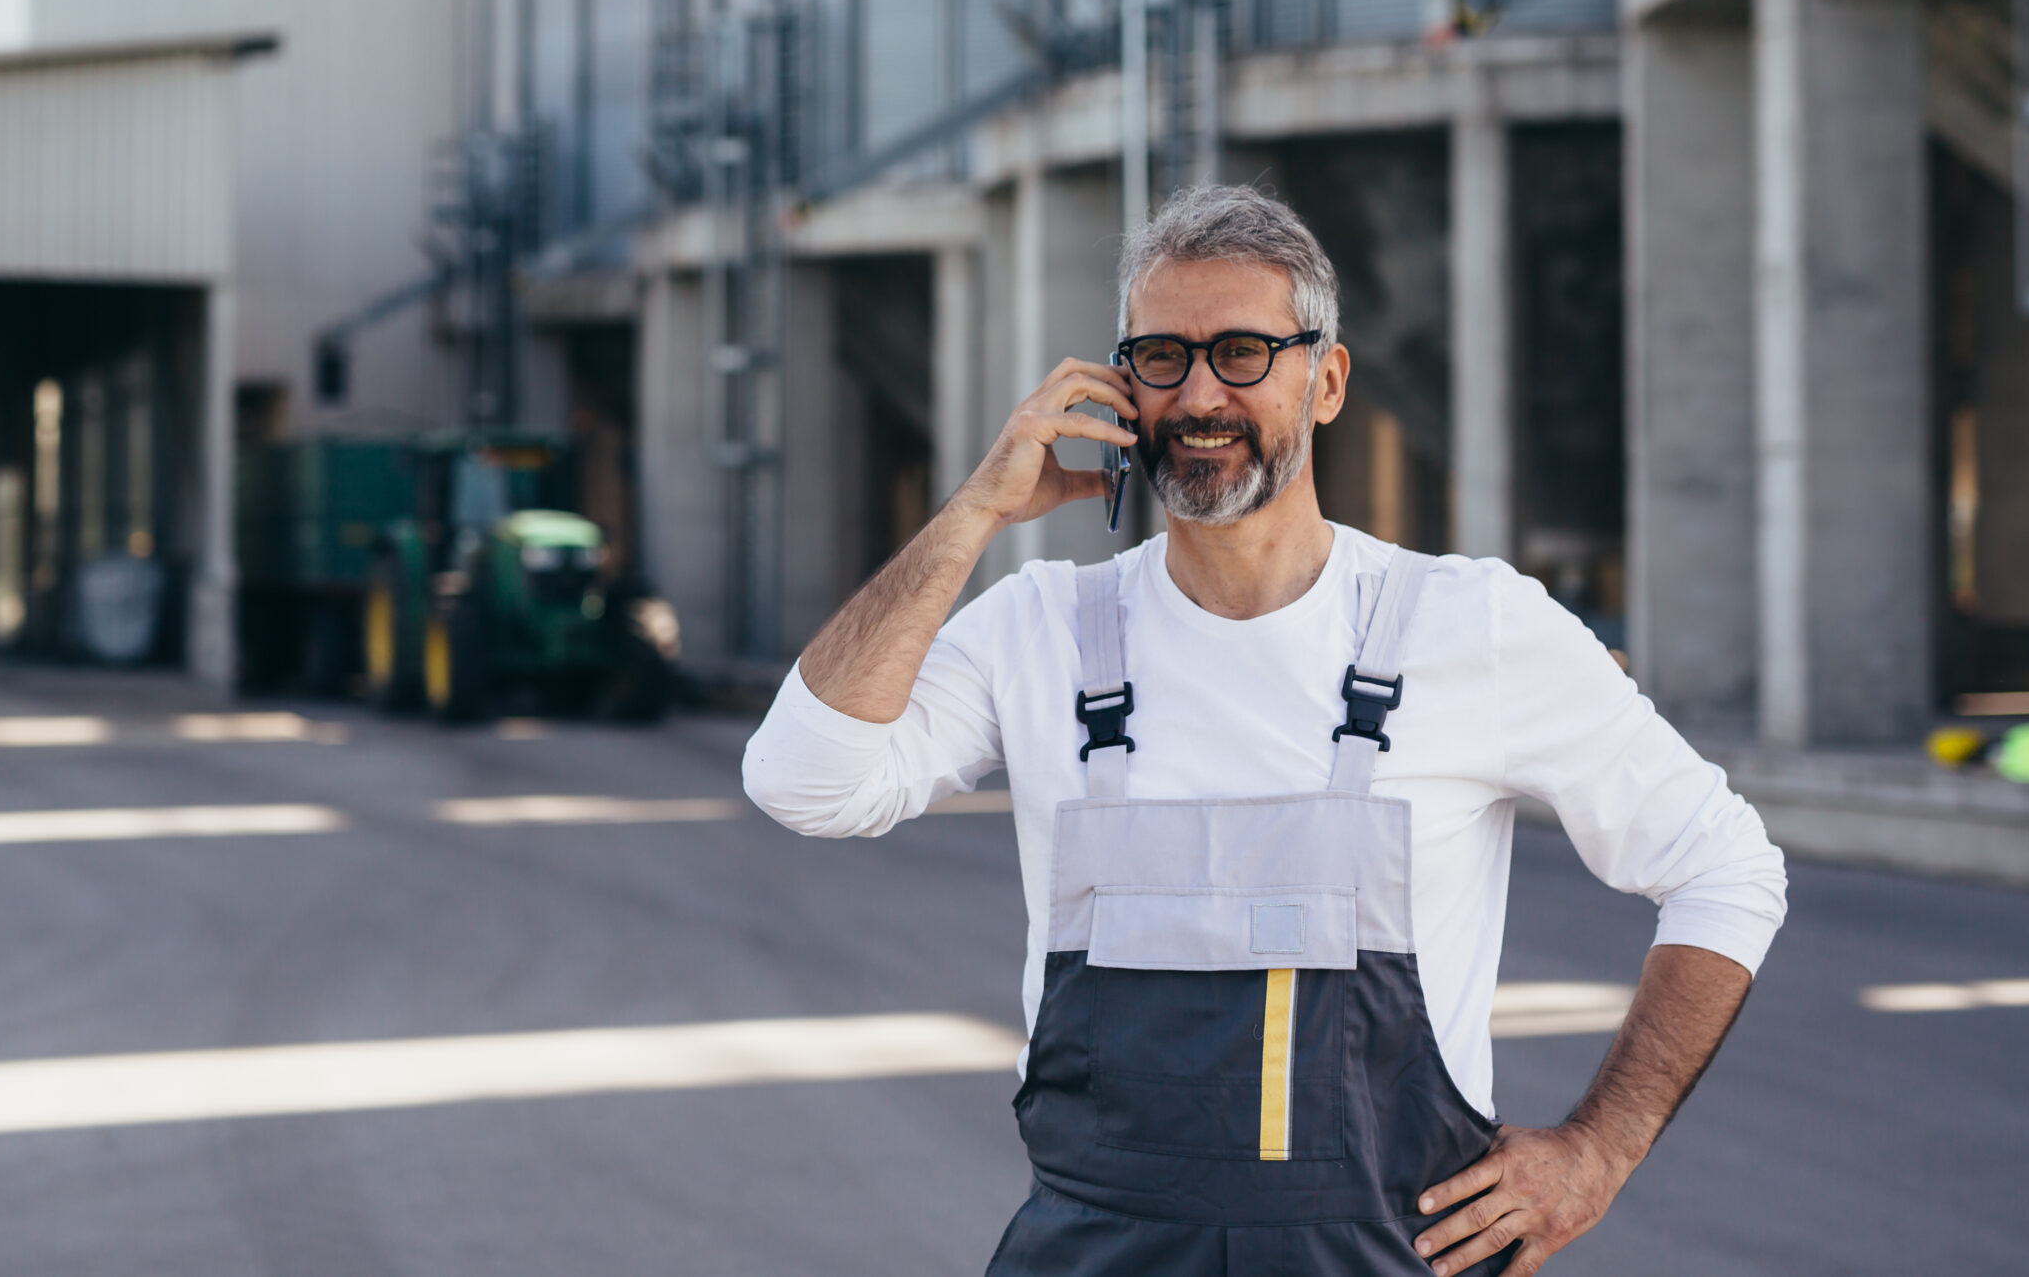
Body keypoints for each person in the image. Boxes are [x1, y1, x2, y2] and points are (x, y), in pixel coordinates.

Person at [742, 184, 1786, 1276]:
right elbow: (800, 780)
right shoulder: (1044, 630)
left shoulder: (1464, 624)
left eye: (1242, 352)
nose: (1199, 394)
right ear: (1117, 382)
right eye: (1161, 356)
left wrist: (1595, 1153)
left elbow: (1725, 867)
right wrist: (972, 515)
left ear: (1325, 379)